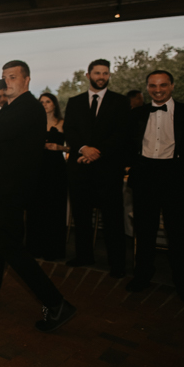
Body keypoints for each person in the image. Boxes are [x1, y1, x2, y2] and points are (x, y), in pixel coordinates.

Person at [0, 61, 76, 332]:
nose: (6, 82)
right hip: (0, 185)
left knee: (10, 246)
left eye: (12, 77)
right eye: (3, 77)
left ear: (26, 79)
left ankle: (57, 303)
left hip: (12, 187)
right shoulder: (10, 109)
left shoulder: (30, 107)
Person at [124, 70, 184, 303]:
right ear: (147, 88)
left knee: (178, 233)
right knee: (144, 231)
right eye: (153, 86)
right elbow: (127, 144)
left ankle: (183, 281)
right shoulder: (137, 113)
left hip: (175, 176)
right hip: (145, 176)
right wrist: (131, 167)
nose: (158, 89)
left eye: (163, 85)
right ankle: (142, 276)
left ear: (172, 85)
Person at [63, 59, 129, 277]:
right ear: (88, 75)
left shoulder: (120, 102)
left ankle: (117, 263)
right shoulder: (74, 102)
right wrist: (83, 148)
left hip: (108, 170)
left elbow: (122, 134)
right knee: (81, 217)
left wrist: (96, 152)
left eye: (105, 73)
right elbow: (70, 130)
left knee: (113, 219)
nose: (102, 76)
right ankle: (84, 256)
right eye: (97, 72)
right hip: (79, 169)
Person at [26, 93, 69, 260]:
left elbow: (75, 147)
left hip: (56, 169)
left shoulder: (63, 123)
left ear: (54, 104)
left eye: (48, 101)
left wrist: (59, 148)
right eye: (41, 102)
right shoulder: (33, 123)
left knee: (54, 209)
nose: (44, 104)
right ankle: (34, 248)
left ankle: (53, 250)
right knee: (36, 207)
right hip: (36, 167)